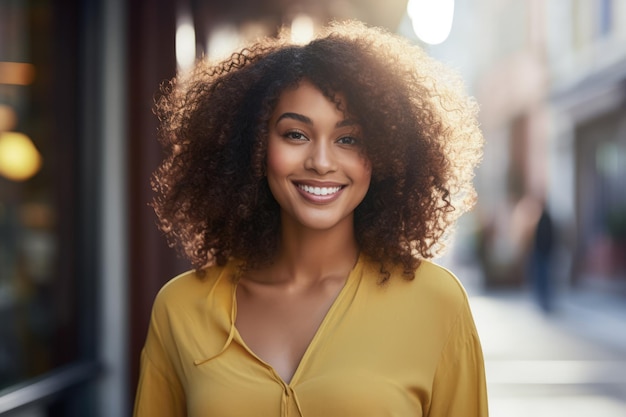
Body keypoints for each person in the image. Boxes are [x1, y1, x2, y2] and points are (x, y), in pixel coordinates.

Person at [134, 20, 487, 417]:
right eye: (295, 135)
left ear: (388, 154)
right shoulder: (180, 309)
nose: (321, 162)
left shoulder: (435, 303)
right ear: (252, 145)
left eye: (348, 139)